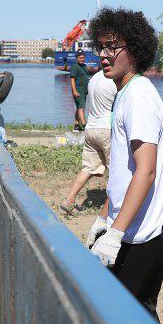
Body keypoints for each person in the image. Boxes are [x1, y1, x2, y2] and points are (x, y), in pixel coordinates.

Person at [83, 8, 163, 321]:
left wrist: (115, 234)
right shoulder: (122, 93)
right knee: (141, 316)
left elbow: (146, 170)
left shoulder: (138, 96)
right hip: (134, 226)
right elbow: (124, 171)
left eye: (113, 47)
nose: (104, 55)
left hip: (145, 232)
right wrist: (103, 217)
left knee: (118, 317)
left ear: (134, 50)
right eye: (101, 48)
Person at [59, 66, 115, 215]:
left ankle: (69, 200)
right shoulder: (114, 79)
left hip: (92, 128)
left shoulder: (94, 78)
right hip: (107, 128)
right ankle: (114, 207)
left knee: (88, 168)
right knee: (116, 170)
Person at [66, 50, 94, 131]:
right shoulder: (74, 66)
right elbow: (72, 79)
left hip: (84, 91)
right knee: (81, 108)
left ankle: (76, 125)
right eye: (80, 58)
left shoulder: (84, 66)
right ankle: (85, 125)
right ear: (76, 58)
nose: (82, 59)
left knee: (79, 107)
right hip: (78, 90)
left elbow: (86, 75)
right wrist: (74, 91)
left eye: (83, 58)